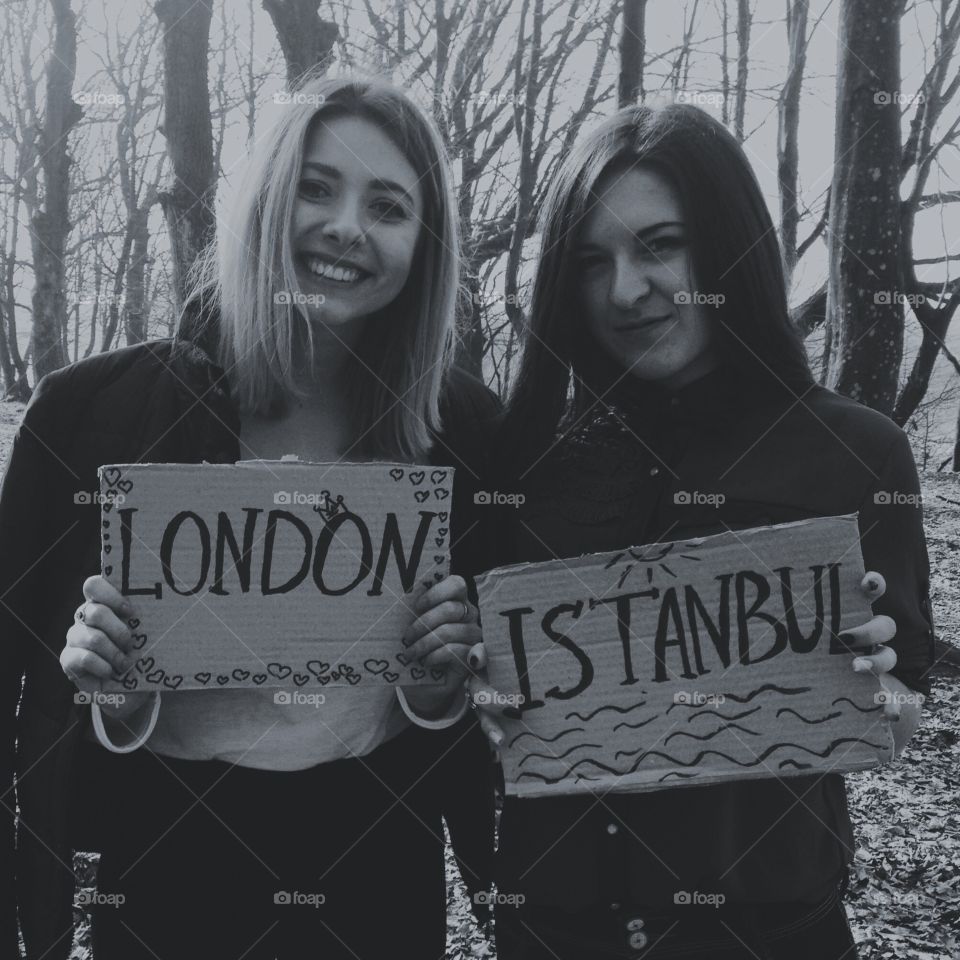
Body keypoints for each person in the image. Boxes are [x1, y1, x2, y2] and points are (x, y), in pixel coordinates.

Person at [0, 74, 496, 960]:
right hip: (167, 846)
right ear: (267, 200)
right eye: (317, 187)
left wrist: (437, 690)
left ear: (425, 244)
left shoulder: (468, 431)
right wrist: (117, 693)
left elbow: (491, 700)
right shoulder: (98, 411)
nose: (347, 226)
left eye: (387, 206)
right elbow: (46, 694)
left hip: (378, 841)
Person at [467, 103, 935, 959]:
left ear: (729, 245)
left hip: (768, 933)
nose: (625, 290)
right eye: (591, 261)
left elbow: (906, 699)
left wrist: (879, 692)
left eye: (659, 245)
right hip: (557, 933)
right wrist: (476, 691)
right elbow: (471, 702)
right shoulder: (528, 460)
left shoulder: (855, 451)